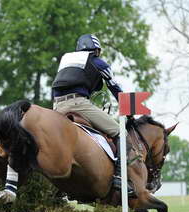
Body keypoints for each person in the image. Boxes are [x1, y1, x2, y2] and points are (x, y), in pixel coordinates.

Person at [52, 34, 132, 195]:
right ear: (96, 49)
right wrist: (129, 110)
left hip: (56, 107)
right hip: (78, 104)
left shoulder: (66, 60)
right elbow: (114, 86)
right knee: (121, 133)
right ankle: (118, 176)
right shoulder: (96, 61)